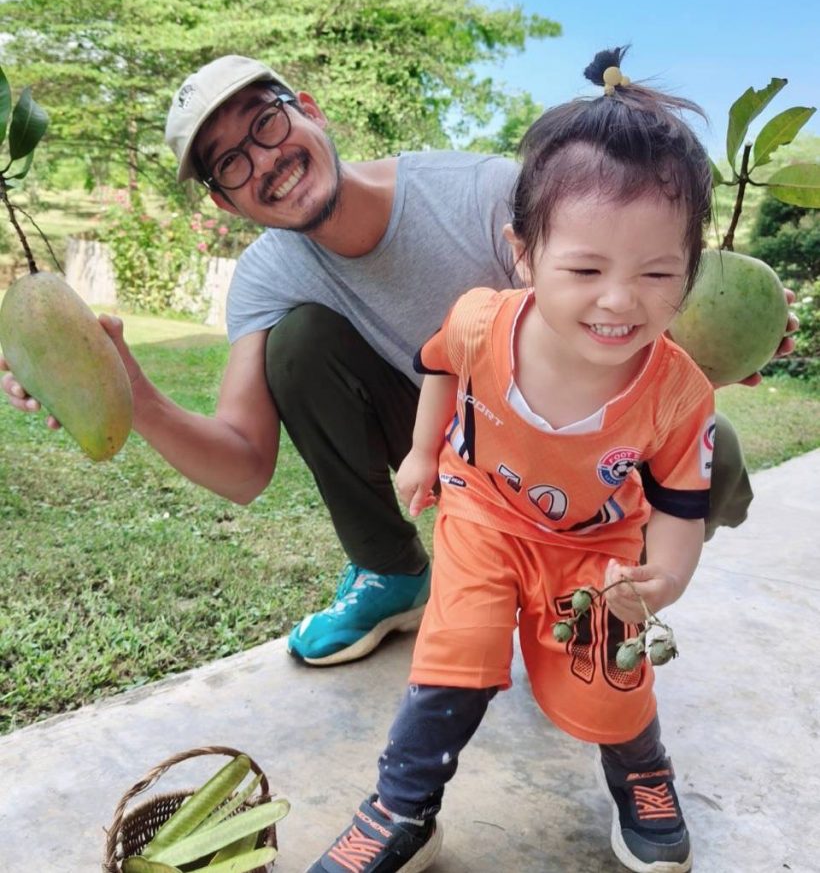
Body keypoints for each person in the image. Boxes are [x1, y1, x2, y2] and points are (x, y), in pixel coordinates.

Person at [0, 53, 793, 670]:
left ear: (307, 111)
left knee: (711, 452)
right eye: (229, 163)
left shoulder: (481, 193)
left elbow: (620, 280)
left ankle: (602, 592)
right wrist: (130, 391)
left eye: (265, 125)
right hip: (438, 446)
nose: (263, 161)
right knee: (298, 343)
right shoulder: (269, 277)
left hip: (558, 434)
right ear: (222, 200)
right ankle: (391, 575)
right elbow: (244, 468)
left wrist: (723, 340)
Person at [305, 48, 725, 873]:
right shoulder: (479, 322)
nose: (618, 299)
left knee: (609, 677)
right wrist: (426, 451)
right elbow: (437, 364)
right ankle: (403, 804)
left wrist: (663, 581)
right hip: (483, 513)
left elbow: (680, 506)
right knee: (454, 651)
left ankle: (642, 767)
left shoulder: (679, 394)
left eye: (656, 273)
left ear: (689, 274)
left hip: (597, 549)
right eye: (586, 268)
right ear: (524, 254)